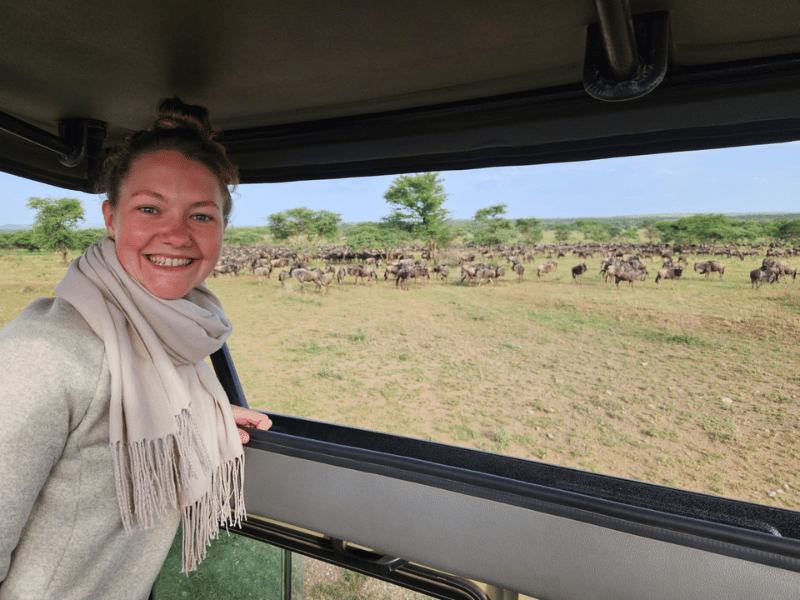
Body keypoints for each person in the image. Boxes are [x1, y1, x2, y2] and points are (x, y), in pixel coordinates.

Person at [0, 98, 271, 599]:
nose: (177, 235)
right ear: (111, 218)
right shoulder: (43, 354)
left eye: (201, 215)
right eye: (149, 209)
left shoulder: (167, 344)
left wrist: (199, 412)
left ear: (222, 229)